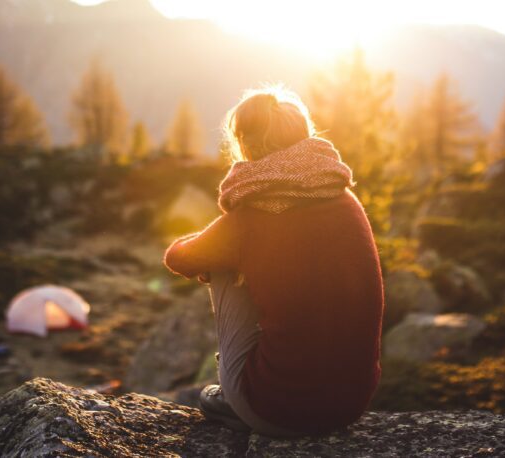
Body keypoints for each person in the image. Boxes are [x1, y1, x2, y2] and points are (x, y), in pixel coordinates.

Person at [162, 86, 384, 437]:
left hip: (276, 412)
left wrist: (228, 245)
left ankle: (235, 390)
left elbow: (179, 258)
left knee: (219, 262)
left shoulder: (252, 214)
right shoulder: (345, 198)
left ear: (246, 145)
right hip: (350, 406)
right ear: (304, 135)